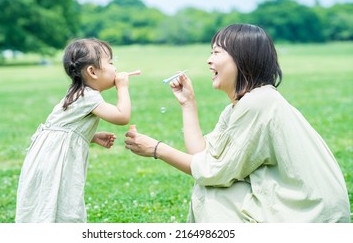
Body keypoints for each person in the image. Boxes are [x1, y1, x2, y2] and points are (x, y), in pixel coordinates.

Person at [125, 24, 351, 222]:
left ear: (243, 60)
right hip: (302, 209)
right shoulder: (243, 105)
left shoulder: (260, 103)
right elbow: (202, 155)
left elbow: (212, 173)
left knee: (212, 193)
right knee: (213, 187)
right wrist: (188, 104)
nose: (209, 60)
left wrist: (157, 149)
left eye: (216, 52)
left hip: (310, 216)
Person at [16, 38, 131, 223]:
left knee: (46, 201)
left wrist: (91, 136)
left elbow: (62, 128)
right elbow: (122, 116)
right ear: (92, 71)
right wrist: (123, 88)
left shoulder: (76, 92)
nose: (115, 68)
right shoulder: (89, 96)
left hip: (46, 156)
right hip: (56, 161)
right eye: (110, 63)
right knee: (63, 201)